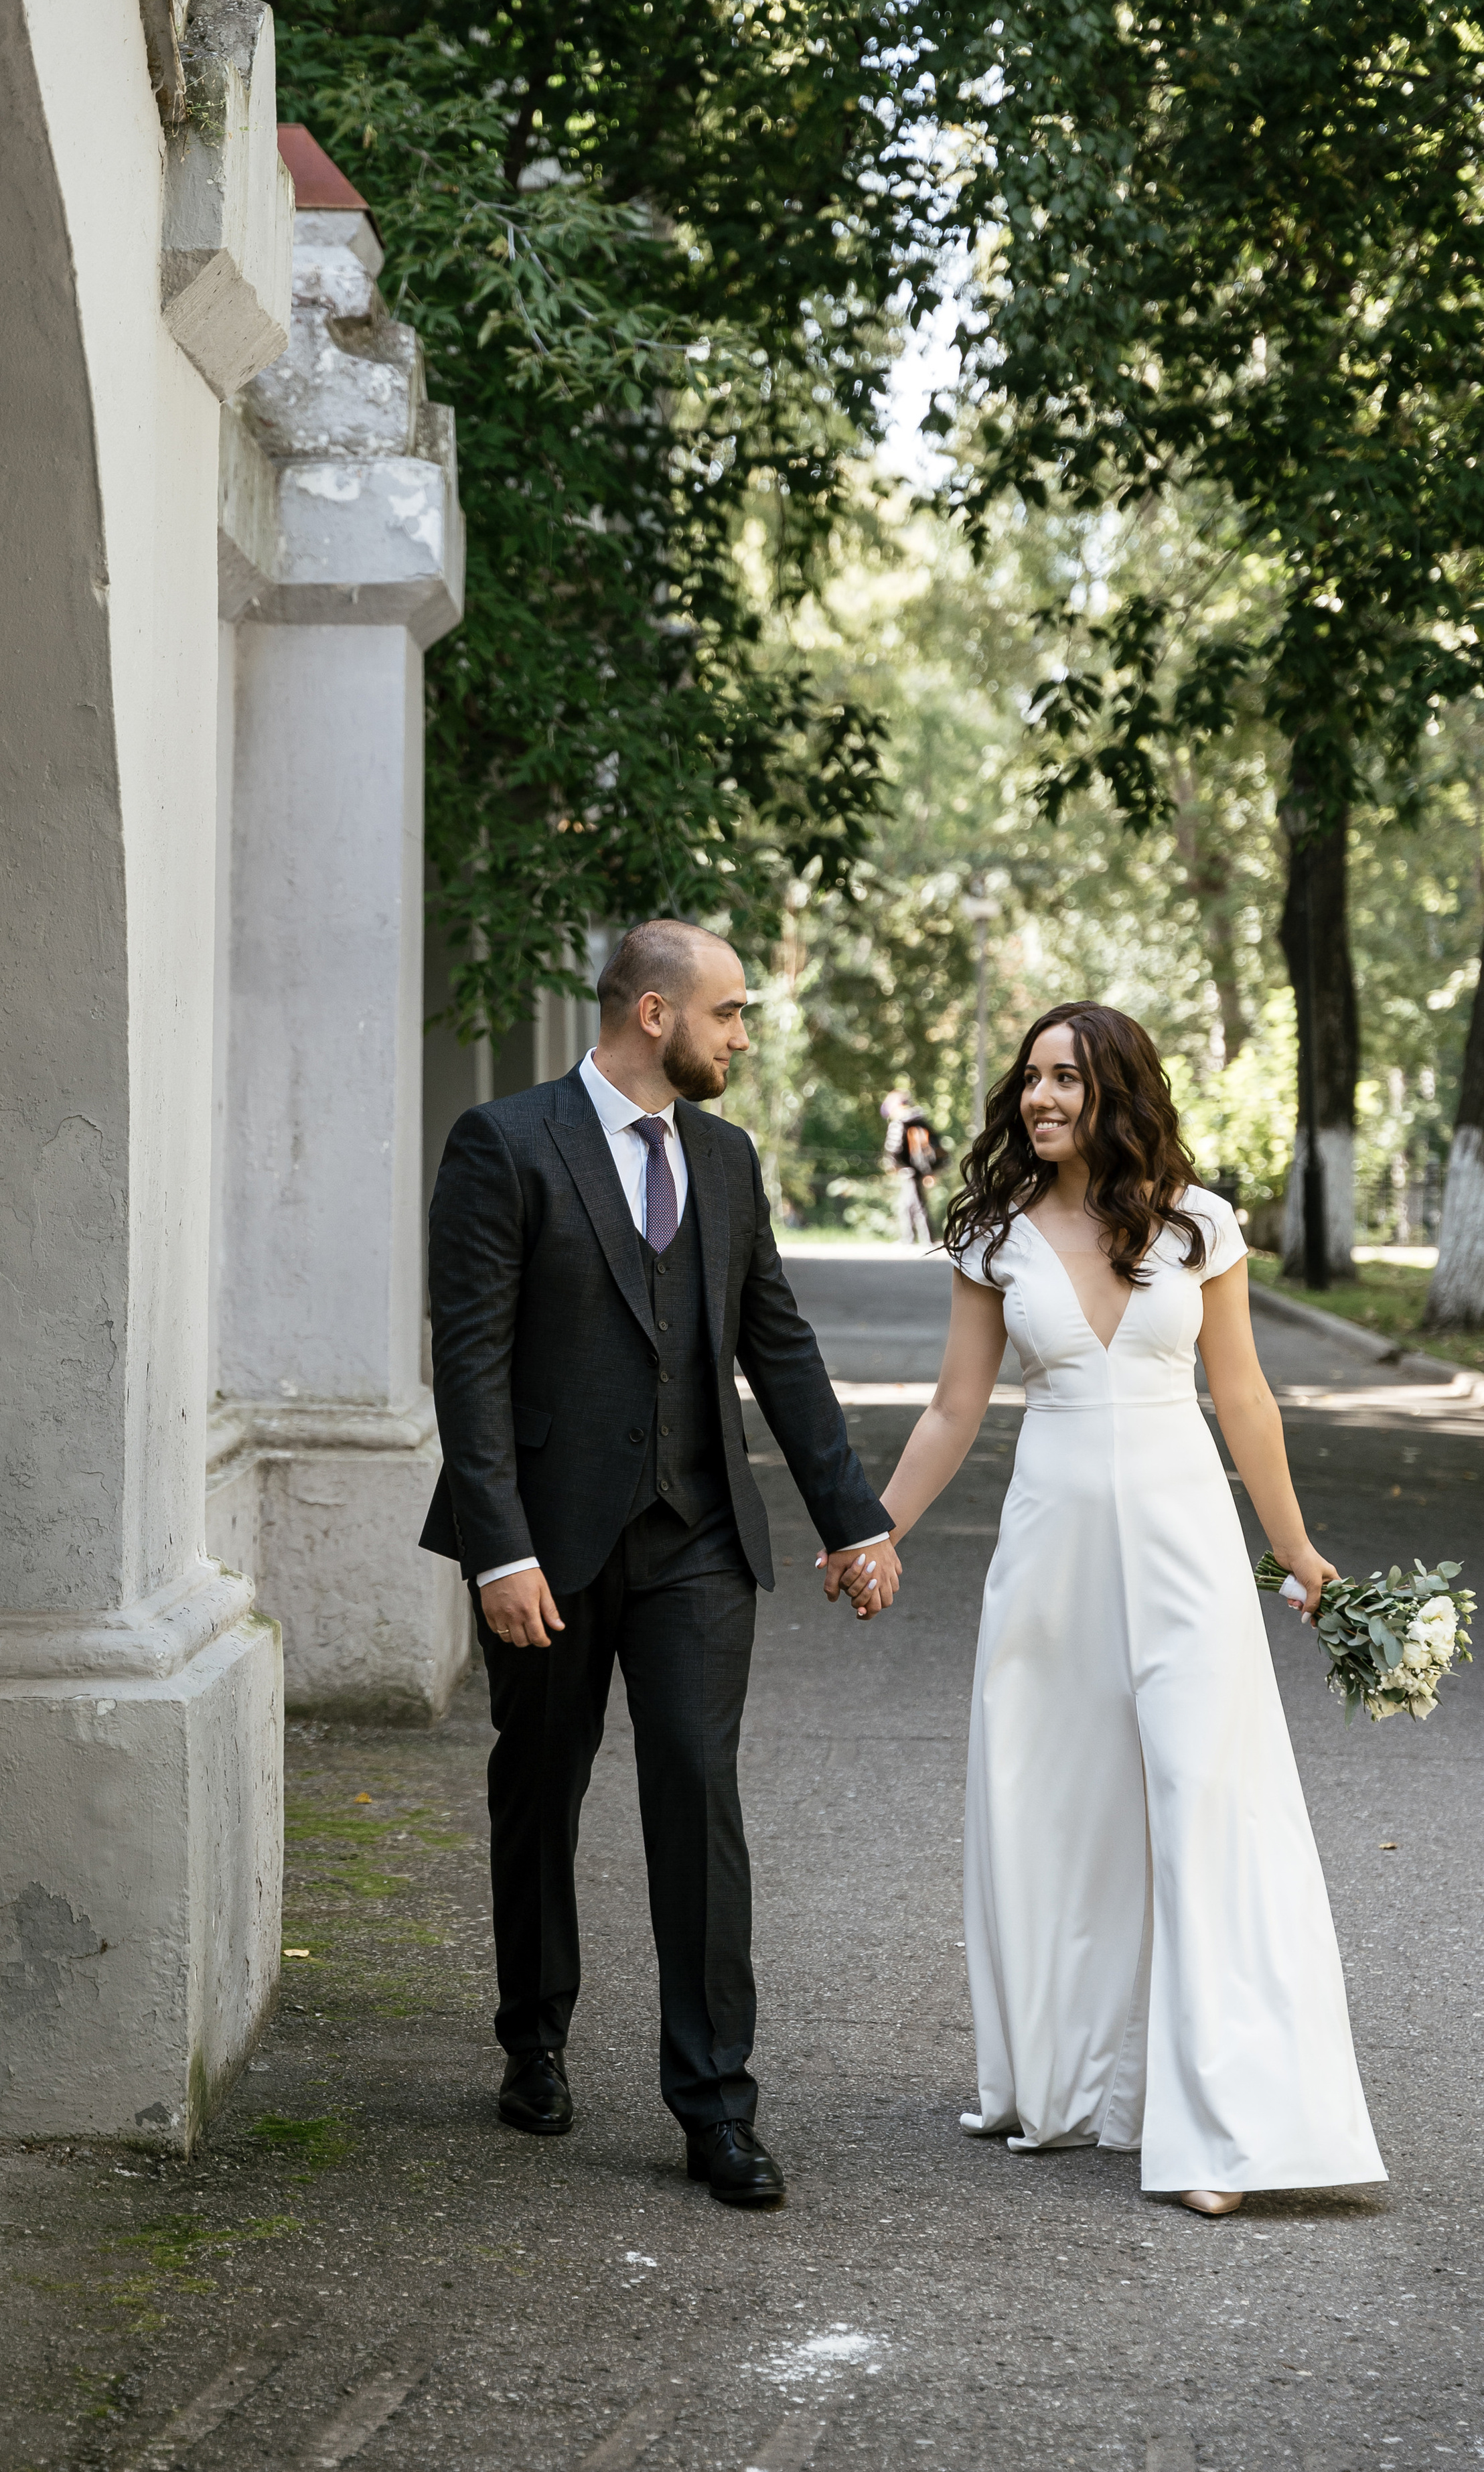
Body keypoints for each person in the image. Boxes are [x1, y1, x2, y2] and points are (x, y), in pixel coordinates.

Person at [834, 1001, 1384, 2214]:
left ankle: (1226, 2133)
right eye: (1031, 1079)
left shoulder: (1200, 1228)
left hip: (1186, 1542)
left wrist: (1299, 1554)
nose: (1042, 1099)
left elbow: (1243, 1401)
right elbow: (951, 1412)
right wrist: (875, 1529)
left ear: (1118, 1091)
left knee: (1208, 1807)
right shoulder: (992, 1233)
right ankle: (1073, 2080)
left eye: (1069, 1081)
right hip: (1051, 1554)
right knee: (1056, 1811)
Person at [421, 920, 899, 2207]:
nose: (742, 1036)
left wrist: (855, 1518)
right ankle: (534, 2036)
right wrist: (497, 1548)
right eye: (730, 1013)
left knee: (697, 1799)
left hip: (695, 1539)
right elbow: (467, 1365)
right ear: (652, 1014)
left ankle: (715, 2108)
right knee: (541, 1790)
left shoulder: (729, 1162)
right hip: (548, 1552)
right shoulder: (505, 1146)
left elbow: (779, 1350)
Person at [881, 1090, 946, 1248]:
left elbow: (894, 1146)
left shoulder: (899, 1122)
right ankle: (914, 1238)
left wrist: (892, 1164)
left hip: (908, 1169)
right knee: (909, 1204)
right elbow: (936, 1144)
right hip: (922, 1168)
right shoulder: (921, 1121)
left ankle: (923, 1240)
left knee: (915, 1205)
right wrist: (932, 1169)